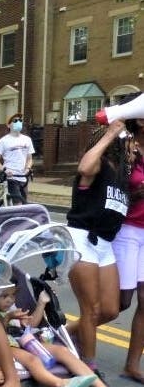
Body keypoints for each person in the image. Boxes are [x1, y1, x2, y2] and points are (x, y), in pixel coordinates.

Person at [65, 120, 128, 374]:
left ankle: (61, 334)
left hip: (104, 243)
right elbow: (84, 167)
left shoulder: (120, 175)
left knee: (110, 310)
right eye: (127, 142)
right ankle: (88, 368)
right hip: (82, 238)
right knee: (90, 311)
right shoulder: (97, 165)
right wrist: (110, 133)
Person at [115, 110, 144, 385]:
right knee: (120, 303)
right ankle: (71, 332)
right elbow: (113, 189)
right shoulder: (125, 148)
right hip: (128, 229)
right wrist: (137, 193)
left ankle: (132, 365)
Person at [0, 115, 35, 205]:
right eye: (15, 121)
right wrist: (5, 170)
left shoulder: (27, 140)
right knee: (18, 204)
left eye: (20, 120)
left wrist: (28, 168)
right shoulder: (3, 141)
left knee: (24, 204)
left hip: (23, 177)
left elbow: (30, 159)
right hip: (10, 177)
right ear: (8, 125)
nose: (18, 122)